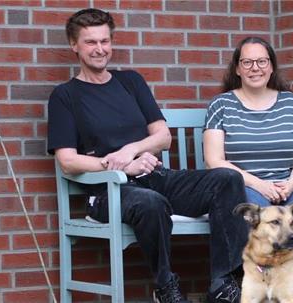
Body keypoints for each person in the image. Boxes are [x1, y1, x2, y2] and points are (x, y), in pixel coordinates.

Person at [47, 8, 246, 303]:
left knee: (227, 179)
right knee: (152, 203)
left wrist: (132, 150)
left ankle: (224, 284)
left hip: (157, 176)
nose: (100, 49)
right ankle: (165, 287)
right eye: (91, 42)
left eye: (105, 41)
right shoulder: (65, 96)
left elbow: (163, 138)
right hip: (109, 191)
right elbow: (68, 160)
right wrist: (124, 167)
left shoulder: (131, 82)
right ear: (74, 45)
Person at [203, 36, 293, 259]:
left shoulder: (291, 103)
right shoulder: (221, 105)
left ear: (271, 66)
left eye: (262, 61)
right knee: (267, 220)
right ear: (237, 69)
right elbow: (214, 160)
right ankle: (273, 287)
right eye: (247, 62)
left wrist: (290, 185)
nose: (255, 68)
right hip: (244, 186)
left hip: (287, 184)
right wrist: (261, 185)